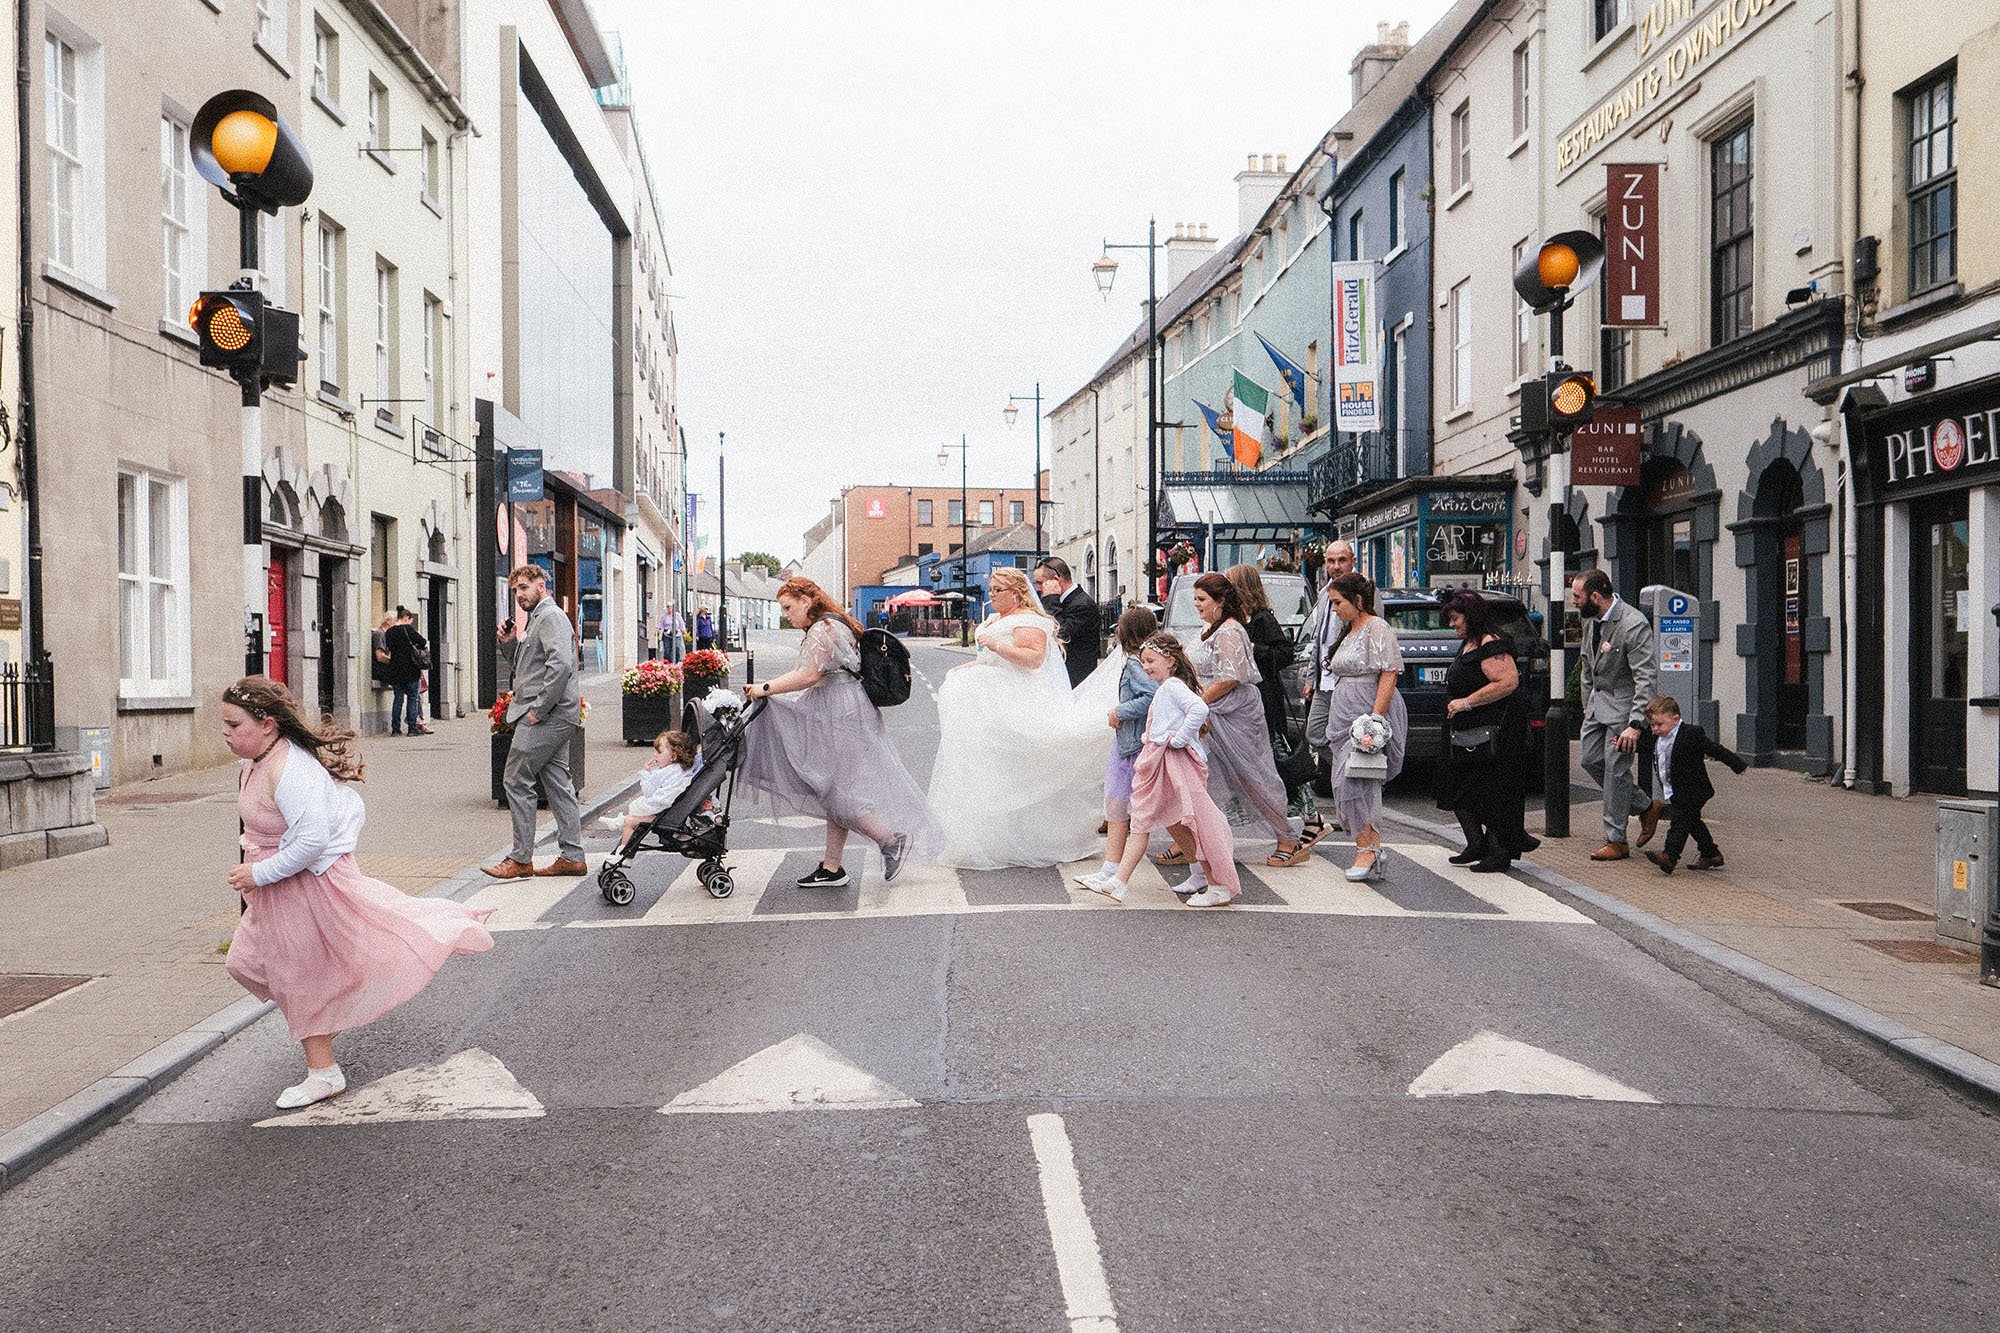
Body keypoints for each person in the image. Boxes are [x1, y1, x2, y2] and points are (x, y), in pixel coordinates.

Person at [221, 676, 494, 1110]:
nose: (226, 733)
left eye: (234, 725)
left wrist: (260, 872)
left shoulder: (288, 769)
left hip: (309, 885)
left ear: (267, 724)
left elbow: (311, 840)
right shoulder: (256, 762)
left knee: (303, 976)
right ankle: (326, 1009)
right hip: (279, 888)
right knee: (246, 963)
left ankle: (323, 1071)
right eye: (225, 725)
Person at [740, 577, 932, 886]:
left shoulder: (823, 629)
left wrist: (766, 688)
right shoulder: (833, 623)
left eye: (789, 607)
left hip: (840, 711)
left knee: (835, 789)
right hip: (841, 706)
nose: (787, 615)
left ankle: (889, 840)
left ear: (806, 600)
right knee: (835, 786)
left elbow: (809, 674)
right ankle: (832, 868)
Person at [927, 567, 1113, 868]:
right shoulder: (995, 619)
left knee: (1024, 767)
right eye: (990, 589)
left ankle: (1043, 838)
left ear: (1016, 592)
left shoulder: (1028, 620)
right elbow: (987, 660)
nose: (991, 595)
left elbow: (1034, 659)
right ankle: (997, 838)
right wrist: (971, 668)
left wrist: (998, 646)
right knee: (994, 770)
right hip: (994, 703)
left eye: (997, 590)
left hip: (1020, 701)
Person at [1076, 633, 1241, 908]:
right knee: (1151, 820)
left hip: (1172, 762)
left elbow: (1199, 709)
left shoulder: (1172, 686)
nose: (1147, 667)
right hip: (1160, 761)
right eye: (1144, 662)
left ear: (1171, 662)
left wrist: (1178, 738)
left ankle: (1215, 885)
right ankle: (1119, 882)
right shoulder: (1167, 686)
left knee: (1187, 822)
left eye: (1151, 661)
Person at [1162, 571, 1307, 873]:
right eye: (1195, 599)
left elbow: (1230, 677)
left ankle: (1287, 837)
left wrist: (1197, 703)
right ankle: (1191, 839)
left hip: (1233, 712)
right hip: (1209, 711)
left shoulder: (1230, 631)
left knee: (1251, 775)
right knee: (1196, 777)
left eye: (1201, 599)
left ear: (1220, 600)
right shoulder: (1208, 628)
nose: (1197, 605)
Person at [482, 565, 587, 880]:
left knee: (515, 779)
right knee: (557, 784)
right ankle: (572, 856)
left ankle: (521, 859)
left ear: (542, 586)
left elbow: (561, 666)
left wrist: (537, 711)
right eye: (516, 591)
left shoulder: (551, 617)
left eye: (525, 588)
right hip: (557, 714)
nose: (520, 595)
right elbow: (532, 667)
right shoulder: (539, 619)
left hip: (548, 716)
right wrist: (511, 642)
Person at [1435, 590, 1539, 873]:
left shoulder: (1490, 642)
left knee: (1495, 788)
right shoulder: (1469, 643)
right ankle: (1476, 843)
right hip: (1467, 730)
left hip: (1496, 731)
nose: (1452, 625)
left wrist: (1467, 702)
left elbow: (1507, 682)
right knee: (1456, 784)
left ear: (1472, 616)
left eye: (1455, 619)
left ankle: (1498, 851)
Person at [1226, 562, 1324, 846]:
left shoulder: (1261, 620)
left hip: (1266, 700)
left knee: (1279, 760)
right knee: (1269, 762)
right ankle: (1303, 818)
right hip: (1252, 700)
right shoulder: (1244, 619)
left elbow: (1285, 653)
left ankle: (1312, 818)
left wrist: (1253, 648)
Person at [1321, 572, 1408, 882]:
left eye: (1338, 602)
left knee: (1355, 781)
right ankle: (1372, 846)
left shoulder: (1377, 628)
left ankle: (1366, 849)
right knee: (1349, 779)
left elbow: (1389, 672)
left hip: (1365, 710)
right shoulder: (1349, 629)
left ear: (1357, 601)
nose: (1334, 609)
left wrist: (1375, 718)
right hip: (1343, 710)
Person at [1572, 569, 1658, 860]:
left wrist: (1636, 724)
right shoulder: (1589, 622)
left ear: (1595, 596)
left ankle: (1616, 839)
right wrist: (1587, 703)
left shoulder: (1633, 624)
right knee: (1589, 759)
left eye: (1577, 596)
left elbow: (1645, 677)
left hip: (1624, 709)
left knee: (1615, 768)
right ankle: (1646, 806)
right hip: (1597, 706)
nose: (1574, 601)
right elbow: (1587, 665)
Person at [1080, 605, 1159, 889]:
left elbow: (1152, 695)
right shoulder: (1145, 660)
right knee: (1117, 805)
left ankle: (1201, 869)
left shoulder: (1135, 663)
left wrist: (1120, 711)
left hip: (1133, 745)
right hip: (1129, 743)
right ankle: (1110, 867)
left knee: (1124, 806)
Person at [1639, 694, 1748, 874]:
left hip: (1694, 790)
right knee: (1692, 822)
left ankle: (1669, 857)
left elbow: (1714, 749)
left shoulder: (1691, 733)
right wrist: (1621, 744)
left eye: (1659, 724)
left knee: (1680, 821)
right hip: (1675, 789)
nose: (1655, 729)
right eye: (1652, 725)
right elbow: (1642, 745)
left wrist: (1737, 765)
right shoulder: (1657, 737)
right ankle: (1711, 854)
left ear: (1675, 719)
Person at [1299, 540, 1357, 813]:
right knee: (1315, 733)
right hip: (1324, 681)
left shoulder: (1364, 593)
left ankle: (1352, 787)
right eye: (1331, 561)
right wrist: (1311, 678)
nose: (1336, 566)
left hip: (1348, 682)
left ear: (1352, 561)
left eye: (1341, 560)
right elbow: (1318, 641)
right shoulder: (1324, 593)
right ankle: (1349, 773)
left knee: (1344, 736)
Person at [599, 729, 703, 844]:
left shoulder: (664, 772)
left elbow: (648, 791)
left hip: (658, 811)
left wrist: (646, 772)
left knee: (630, 822)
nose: (655, 755)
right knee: (631, 821)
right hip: (666, 811)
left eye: (659, 752)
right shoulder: (682, 770)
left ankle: (622, 853)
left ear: (673, 756)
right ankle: (620, 828)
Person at [1033, 556, 1102, 688]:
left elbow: (1060, 635)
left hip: (1076, 681)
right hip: (1060, 678)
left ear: (1055, 580)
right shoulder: (1061, 601)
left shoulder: (1082, 605)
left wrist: (1051, 599)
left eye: (1040, 583)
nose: (1037, 588)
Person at [382, 607, 432, 737]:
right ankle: (412, 727)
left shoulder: (389, 632)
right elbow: (422, 642)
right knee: (412, 698)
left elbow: (389, 648)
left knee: (398, 699)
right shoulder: (408, 629)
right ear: (406, 618)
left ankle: (395, 728)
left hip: (395, 669)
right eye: (410, 620)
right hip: (410, 669)